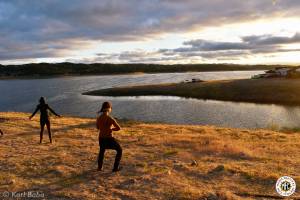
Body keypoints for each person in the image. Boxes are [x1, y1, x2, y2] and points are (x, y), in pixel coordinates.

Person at [96, 101, 122, 172]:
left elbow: (98, 128)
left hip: (101, 138)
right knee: (119, 150)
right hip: (109, 139)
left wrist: (104, 128)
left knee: (102, 151)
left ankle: (99, 168)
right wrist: (111, 128)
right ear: (108, 108)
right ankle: (115, 168)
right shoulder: (111, 118)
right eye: (111, 108)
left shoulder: (99, 118)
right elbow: (119, 128)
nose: (111, 109)